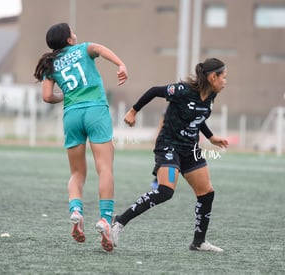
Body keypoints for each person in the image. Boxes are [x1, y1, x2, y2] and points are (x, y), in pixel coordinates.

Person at [111, 58, 228, 252]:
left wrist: (212, 137)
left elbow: (198, 118)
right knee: (165, 191)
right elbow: (154, 91)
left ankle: (198, 242)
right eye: (224, 77)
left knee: (207, 194)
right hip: (169, 146)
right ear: (213, 77)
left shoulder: (211, 96)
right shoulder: (183, 91)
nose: (225, 81)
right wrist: (133, 111)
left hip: (190, 150)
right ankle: (119, 221)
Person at [33, 22, 128, 252]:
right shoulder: (84, 48)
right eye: (71, 32)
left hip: (72, 115)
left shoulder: (50, 63)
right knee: (105, 169)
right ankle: (105, 219)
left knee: (77, 173)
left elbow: (47, 97)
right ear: (69, 40)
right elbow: (101, 49)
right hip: (96, 110)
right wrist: (120, 64)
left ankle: (76, 211)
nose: (75, 34)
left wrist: (66, 96)